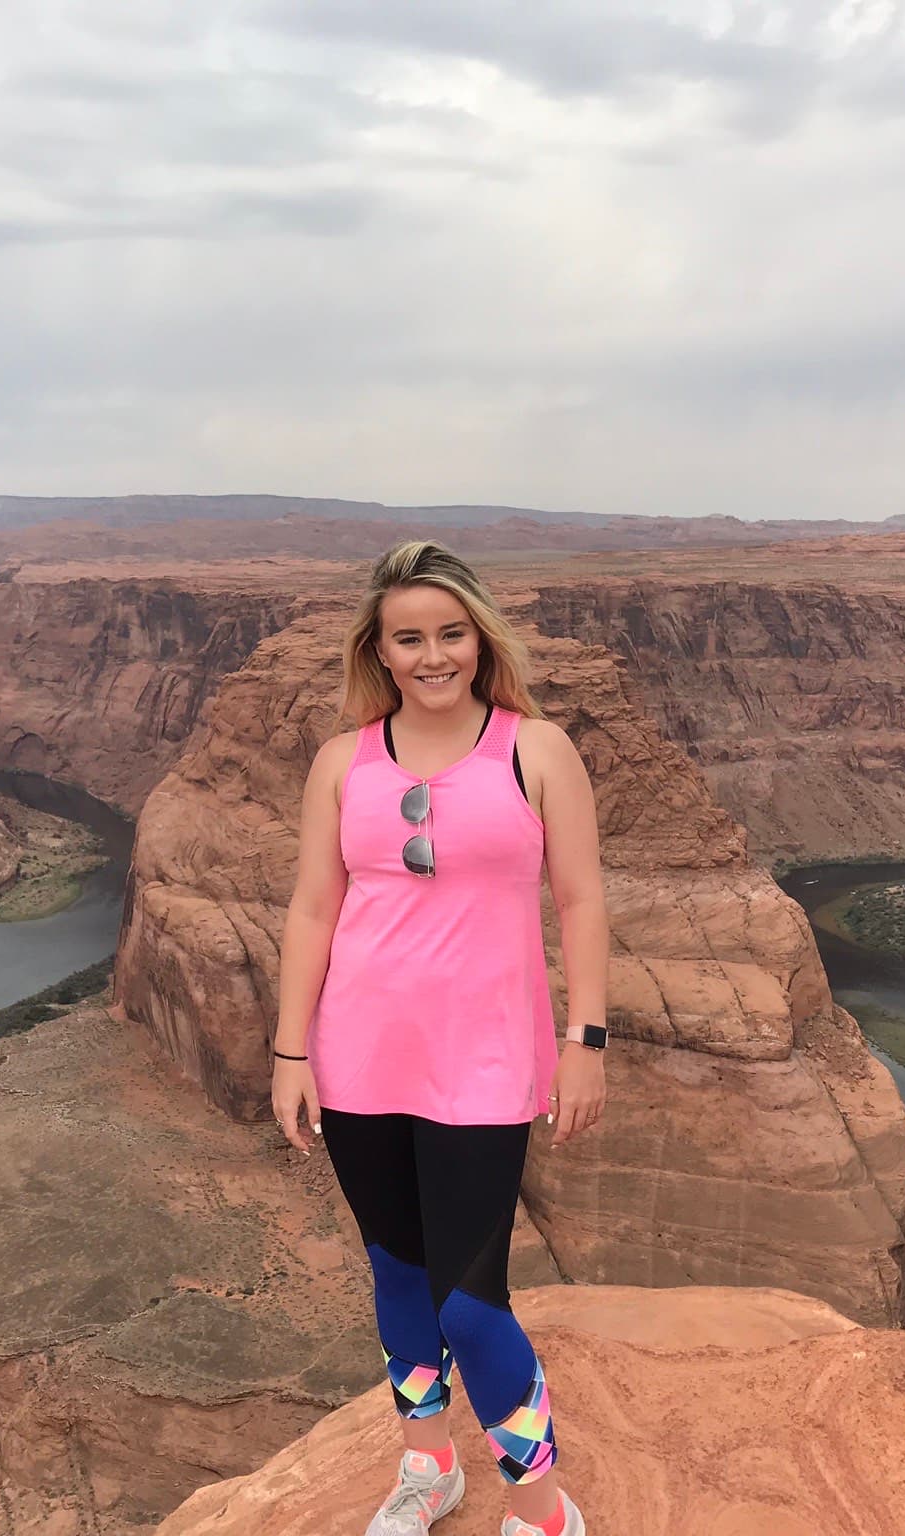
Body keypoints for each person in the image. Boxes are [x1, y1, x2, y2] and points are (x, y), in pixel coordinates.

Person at [271, 540, 610, 1536]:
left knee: (470, 1301)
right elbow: (312, 910)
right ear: (378, 652)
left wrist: (585, 1040)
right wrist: (290, 1051)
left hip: (486, 1064)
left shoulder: (535, 751)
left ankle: (541, 1510)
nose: (432, 656)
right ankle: (429, 1466)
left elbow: (581, 901)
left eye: (450, 634)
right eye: (409, 639)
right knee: (398, 1274)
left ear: (480, 639)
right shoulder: (343, 763)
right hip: (359, 1057)